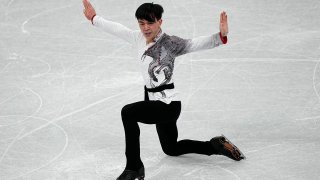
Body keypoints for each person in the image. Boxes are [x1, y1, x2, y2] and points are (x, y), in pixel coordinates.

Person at [83, 1, 245, 179]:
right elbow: (117, 28)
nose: (145, 28)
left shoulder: (170, 43)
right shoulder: (137, 38)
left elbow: (194, 44)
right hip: (154, 102)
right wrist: (94, 18)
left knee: (128, 113)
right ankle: (214, 146)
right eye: (141, 23)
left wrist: (220, 36)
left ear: (160, 21)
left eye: (150, 23)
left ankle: (133, 166)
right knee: (171, 148)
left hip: (168, 104)